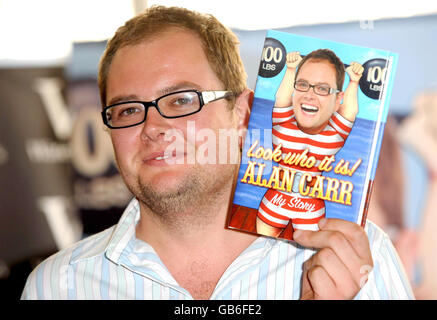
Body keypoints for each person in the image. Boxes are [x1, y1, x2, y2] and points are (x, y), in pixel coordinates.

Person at [21, 5, 413, 300]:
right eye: (127, 110)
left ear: (242, 113)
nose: (152, 127)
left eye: (181, 100)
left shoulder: (355, 258)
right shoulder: (60, 285)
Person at [256, 50, 364, 237]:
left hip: (310, 211)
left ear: (338, 99)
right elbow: (282, 98)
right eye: (303, 85)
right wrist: (290, 70)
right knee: (255, 251)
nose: (309, 95)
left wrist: (354, 82)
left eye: (323, 89)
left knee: (309, 261)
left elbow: (350, 111)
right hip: (274, 203)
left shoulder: (334, 134)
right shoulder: (283, 123)